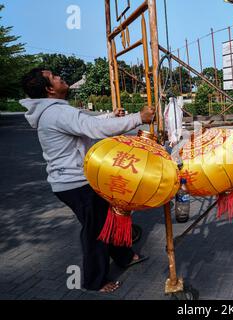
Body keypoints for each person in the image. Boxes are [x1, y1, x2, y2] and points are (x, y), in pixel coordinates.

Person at [20, 68, 155, 293]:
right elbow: (93, 128)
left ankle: (125, 256)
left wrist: (111, 116)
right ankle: (95, 281)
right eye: (53, 77)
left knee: (106, 219)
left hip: (73, 182)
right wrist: (138, 118)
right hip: (75, 184)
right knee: (95, 231)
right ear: (49, 89)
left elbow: (84, 125)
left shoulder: (54, 111)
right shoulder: (57, 113)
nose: (60, 77)